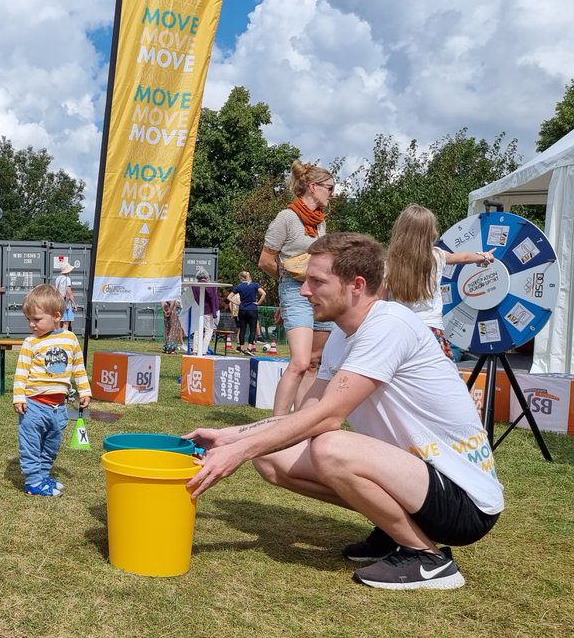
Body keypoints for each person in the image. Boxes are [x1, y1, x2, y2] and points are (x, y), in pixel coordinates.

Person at [185, 233, 502, 591]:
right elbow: (302, 416)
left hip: (464, 499)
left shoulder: (389, 325)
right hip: (420, 479)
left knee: (329, 447)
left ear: (357, 285)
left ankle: (426, 558)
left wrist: (238, 452)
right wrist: (228, 436)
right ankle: (395, 529)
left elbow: (326, 418)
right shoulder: (341, 336)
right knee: (272, 459)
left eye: (317, 281)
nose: (304, 291)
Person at [258, 160, 335, 414]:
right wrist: (285, 283)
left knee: (313, 363)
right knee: (300, 362)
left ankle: (299, 427)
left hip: (320, 294)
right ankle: (275, 426)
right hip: (294, 290)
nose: (332, 193)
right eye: (329, 188)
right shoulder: (287, 218)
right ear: (313, 187)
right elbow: (266, 260)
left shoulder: (320, 222)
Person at [384, 204, 493, 360]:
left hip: (398, 331)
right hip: (430, 330)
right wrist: (484, 257)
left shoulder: (389, 265)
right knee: (439, 379)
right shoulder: (437, 256)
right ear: (430, 233)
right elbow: (464, 258)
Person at [12, 284, 91, 497]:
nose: (31, 324)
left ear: (56, 316)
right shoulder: (31, 343)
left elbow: (78, 367)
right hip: (34, 406)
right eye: (29, 319)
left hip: (59, 408)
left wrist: (84, 391)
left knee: (51, 445)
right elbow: (22, 372)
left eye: (37, 319)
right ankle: (32, 481)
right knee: (30, 445)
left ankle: (43, 475)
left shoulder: (69, 339)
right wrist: (19, 396)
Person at [232, 271, 266, 355]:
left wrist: (237, 303)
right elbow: (264, 293)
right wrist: (258, 303)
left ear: (241, 278)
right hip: (252, 309)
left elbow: (229, 297)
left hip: (242, 309)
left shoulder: (239, 286)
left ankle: (242, 348)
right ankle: (249, 348)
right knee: (252, 330)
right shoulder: (255, 285)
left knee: (242, 329)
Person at [190, 267, 219, 355]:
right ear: (206, 277)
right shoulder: (210, 285)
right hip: (208, 310)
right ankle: (203, 350)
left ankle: (195, 349)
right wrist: (215, 312)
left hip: (198, 309)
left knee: (197, 330)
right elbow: (213, 299)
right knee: (209, 330)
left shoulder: (194, 286)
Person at [53, 262, 76, 331]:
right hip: (66, 303)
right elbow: (69, 292)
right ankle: (64, 338)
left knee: (60, 321)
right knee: (66, 322)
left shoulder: (58, 278)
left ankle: (58, 337)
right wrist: (74, 304)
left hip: (58, 302)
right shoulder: (67, 279)